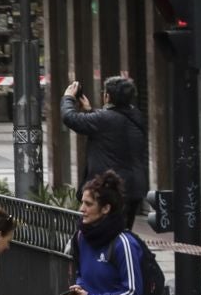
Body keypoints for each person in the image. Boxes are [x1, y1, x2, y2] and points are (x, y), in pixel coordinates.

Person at [61, 78, 148, 222]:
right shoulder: (136, 116)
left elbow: (70, 118)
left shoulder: (104, 119)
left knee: (102, 230)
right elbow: (112, 131)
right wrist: (90, 111)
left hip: (111, 190)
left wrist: (68, 98)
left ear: (107, 96)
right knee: (121, 230)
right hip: (133, 189)